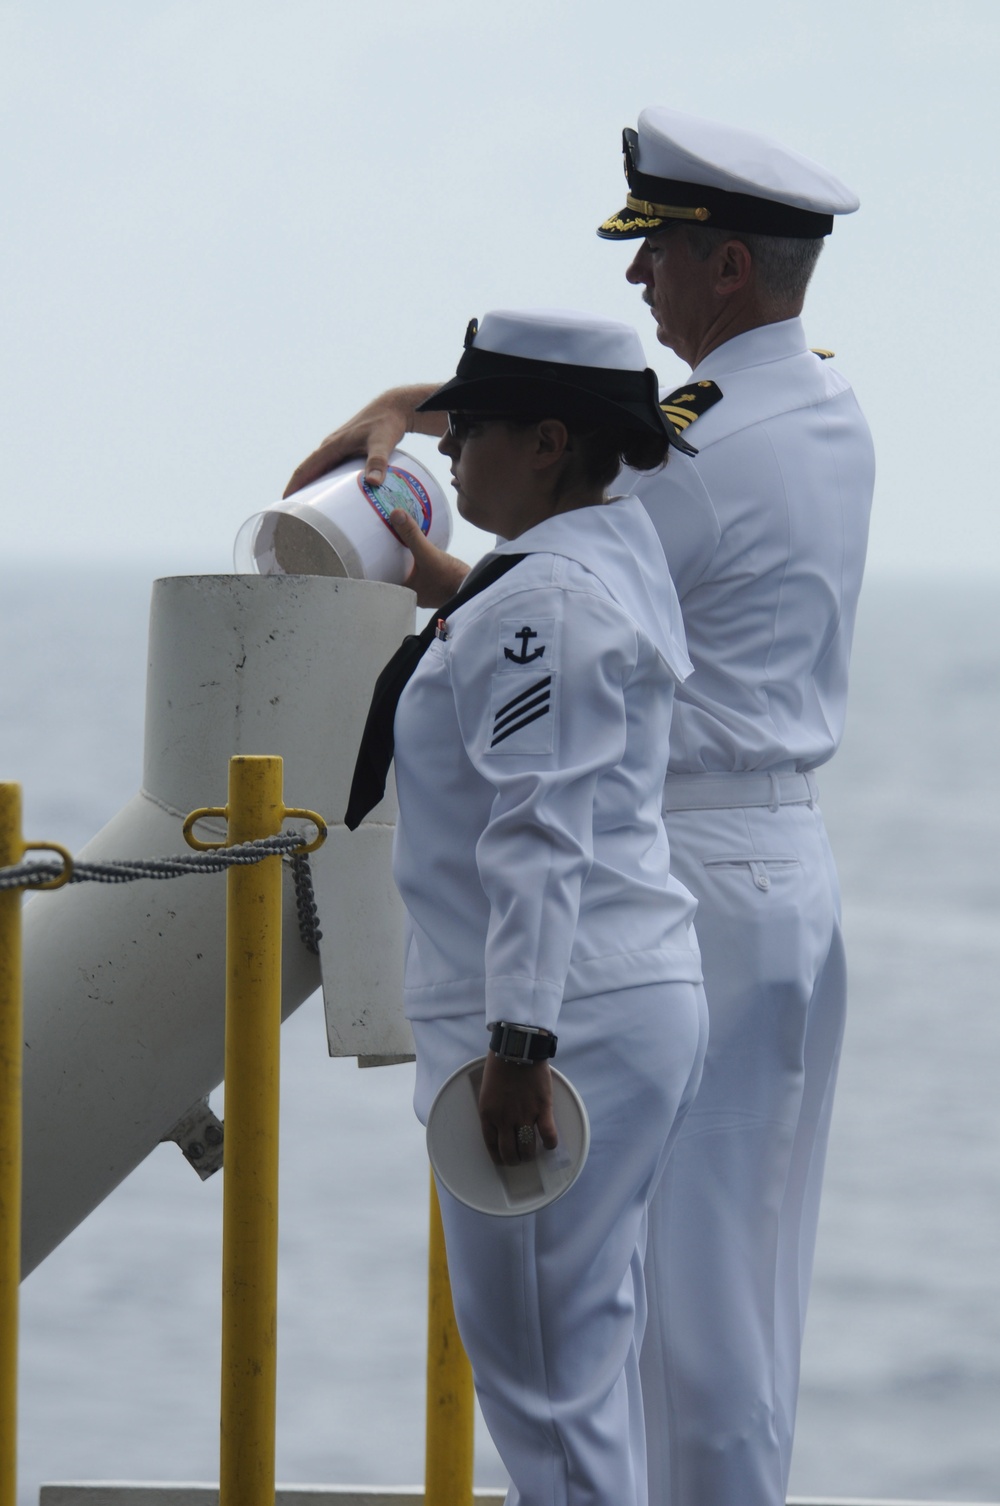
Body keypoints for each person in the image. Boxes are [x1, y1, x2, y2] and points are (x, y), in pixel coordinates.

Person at [291, 107, 875, 1506]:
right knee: (741, 1289)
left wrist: (409, 424)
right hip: (783, 858)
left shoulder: (703, 452)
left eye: (659, 253)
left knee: (657, 1323)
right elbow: (590, 512)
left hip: (671, 874)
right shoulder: (823, 409)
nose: (640, 282)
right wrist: (431, 406)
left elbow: (558, 554)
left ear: (727, 267)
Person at [345, 307, 708, 1506]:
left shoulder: (539, 603)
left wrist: (517, 1048)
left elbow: (540, 830)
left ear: (550, 440)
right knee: (580, 1373)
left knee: (545, 1391)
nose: (450, 454)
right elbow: (513, 635)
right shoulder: (601, 547)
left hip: (560, 1023)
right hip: (618, 993)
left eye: (476, 428)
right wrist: (431, 571)